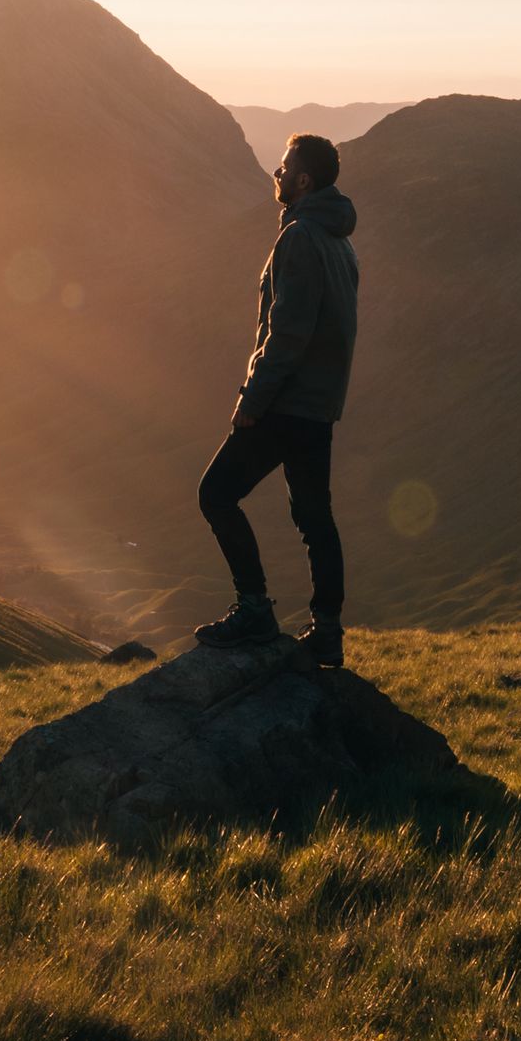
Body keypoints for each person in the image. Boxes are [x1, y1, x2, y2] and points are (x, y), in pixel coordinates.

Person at [195, 130, 358, 666]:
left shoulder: (300, 239)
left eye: (285, 167)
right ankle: (328, 632)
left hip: (286, 402)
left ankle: (255, 608)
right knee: (316, 518)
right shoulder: (340, 243)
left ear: (303, 179)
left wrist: (252, 399)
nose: (277, 174)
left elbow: (285, 334)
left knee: (216, 494)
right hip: (318, 408)